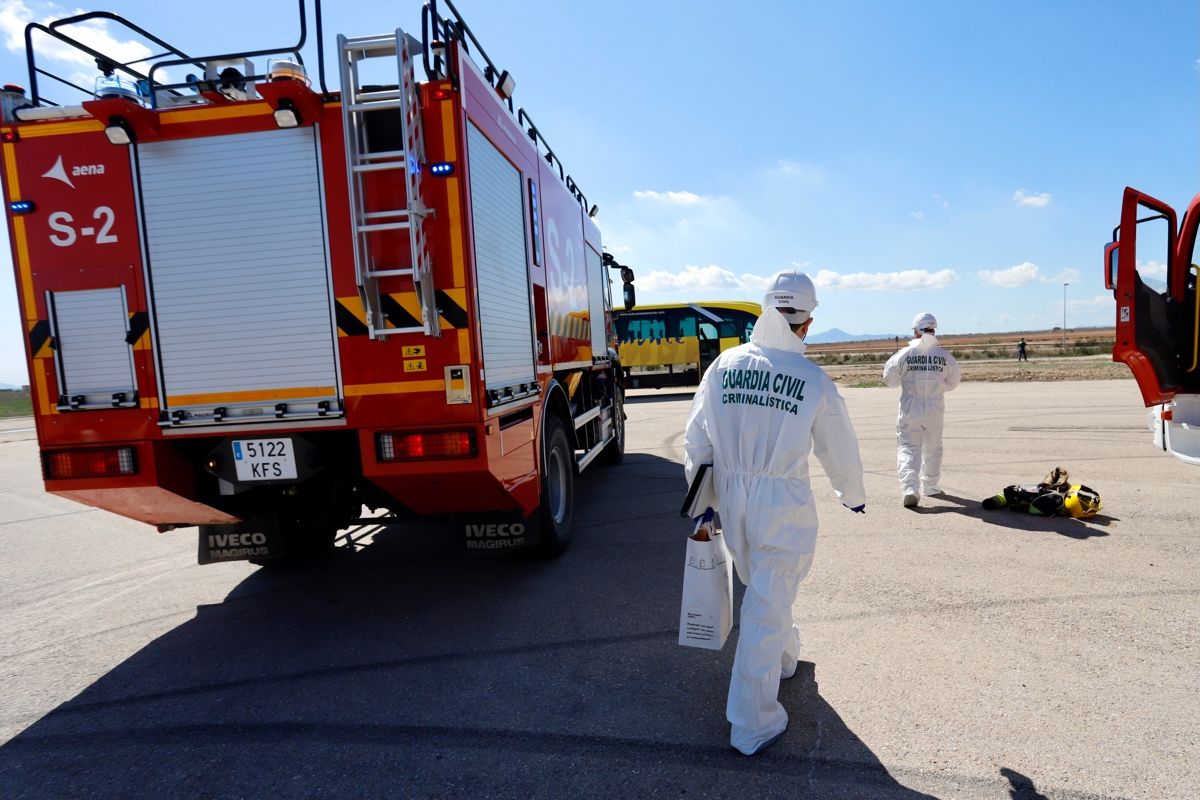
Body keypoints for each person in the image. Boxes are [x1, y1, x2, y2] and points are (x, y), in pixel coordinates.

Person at [683, 270, 866, 756]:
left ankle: (785, 658)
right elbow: (838, 445)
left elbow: (697, 438)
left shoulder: (723, 366)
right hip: (782, 504)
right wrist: (852, 491)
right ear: (804, 322)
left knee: (764, 589)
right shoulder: (812, 379)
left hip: (731, 499)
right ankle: (752, 722)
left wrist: (703, 502)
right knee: (766, 603)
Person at [882, 312, 961, 507]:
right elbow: (954, 381)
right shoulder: (944, 356)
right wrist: (938, 388)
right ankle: (931, 486)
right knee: (934, 447)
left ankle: (910, 488)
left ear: (916, 331)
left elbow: (889, 379)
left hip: (911, 407)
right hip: (935, 407)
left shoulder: (904, 354)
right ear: (933, 330)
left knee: (909, 447)